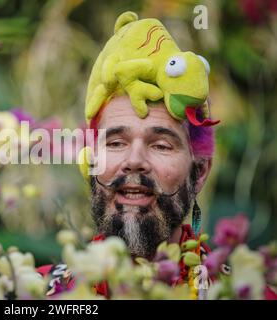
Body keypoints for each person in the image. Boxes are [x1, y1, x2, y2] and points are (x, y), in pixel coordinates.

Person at [38, 11, 220, 298]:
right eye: (115, 143)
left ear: (199, 173)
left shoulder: (244, 292)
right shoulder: (36, 291)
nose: (134, 160)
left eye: (161, 145)